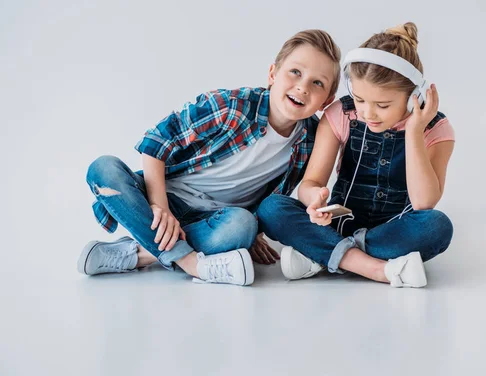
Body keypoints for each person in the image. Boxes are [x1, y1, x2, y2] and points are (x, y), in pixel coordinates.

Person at [77, 29, 341, 286]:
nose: (303, 87)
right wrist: (160, 207)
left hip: (216, 218)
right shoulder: (232, 106)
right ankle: (192, 263)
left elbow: (272, 197)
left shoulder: (312, 140)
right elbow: (156, 142)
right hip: (163, 198)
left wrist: (253, 235)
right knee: (104, 169)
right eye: (295, 72)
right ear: (273, 73)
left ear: (326, 101)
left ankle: (137, 254)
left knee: (242, 226)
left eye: (317, 83)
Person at [257, 22, 454, 288]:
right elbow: (311, 183)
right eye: (360, 99)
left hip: (392, 230)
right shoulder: (341, 114)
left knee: (437, 227)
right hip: (336, 223)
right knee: (272, 208)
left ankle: (322, 255)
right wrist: (314, 199)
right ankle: (374, 266)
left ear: (412, 98)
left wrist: (414, 131)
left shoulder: (436, 129)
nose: (367, 113)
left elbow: (424, 202)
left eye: (382, 105)